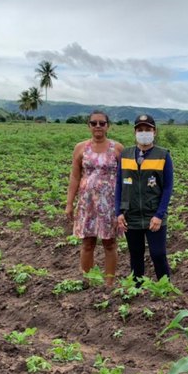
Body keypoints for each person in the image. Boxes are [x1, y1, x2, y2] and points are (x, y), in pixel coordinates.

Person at [66, 111, 124, 287]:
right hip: (87, 203)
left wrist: (124, 206)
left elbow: (125, 178)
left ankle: (109, 283)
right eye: (94, 123)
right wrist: (69, 203)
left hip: (109, 204)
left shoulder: (117, 148)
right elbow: (75, 177)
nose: (98, 126)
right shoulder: (80, 148)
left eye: (102, 123)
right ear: (88, 126)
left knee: (110, 243)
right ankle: (89, 281)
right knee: (87, 243)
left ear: (108, 126)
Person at [115, 114, 174, 281]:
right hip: (131, 215)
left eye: (147, 129)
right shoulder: (125, 155)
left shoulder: (163, 155)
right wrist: (118, 212)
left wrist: (159, 215)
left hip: (153, 214)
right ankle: (137, 288)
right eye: (140, 130)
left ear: (154, 132)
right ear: (135, 132)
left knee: (158, 254)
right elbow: (119, 185)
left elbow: (167, 188)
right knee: (135, 254)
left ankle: (164, 288)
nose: (144, 133)